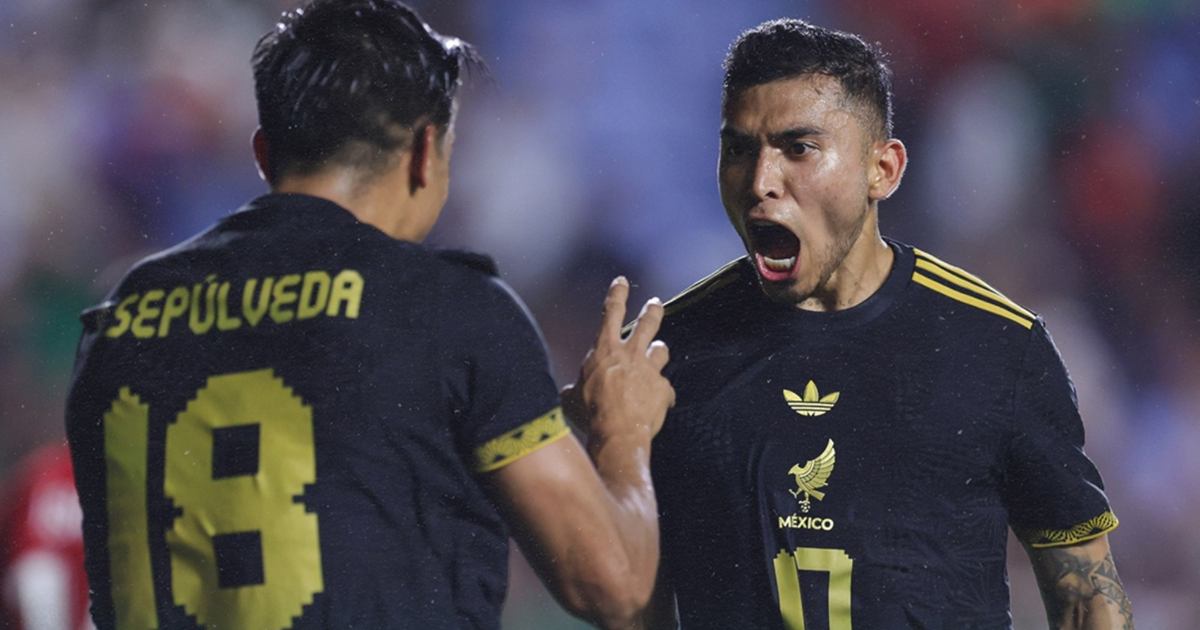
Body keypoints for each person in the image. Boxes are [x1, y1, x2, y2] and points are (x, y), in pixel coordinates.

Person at [64, 2, 674, 629]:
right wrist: (622, 436)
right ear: (425, 151)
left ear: (264, 154)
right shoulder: (449, 310)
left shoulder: (118, 322)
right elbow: (615, 590)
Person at [644, 19, 1134, 629]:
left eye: (799, 148)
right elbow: (622, 598)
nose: (761, 182)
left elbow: (1088, 599)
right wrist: (609, 453)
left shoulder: (998, 347)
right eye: (740, 149)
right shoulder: (670, 352)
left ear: (883, 169)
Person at [0, 442, 93, 630]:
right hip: (42, 588)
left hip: (92, 595)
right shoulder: (45, 467)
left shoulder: (46, 465)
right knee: (40, 574)